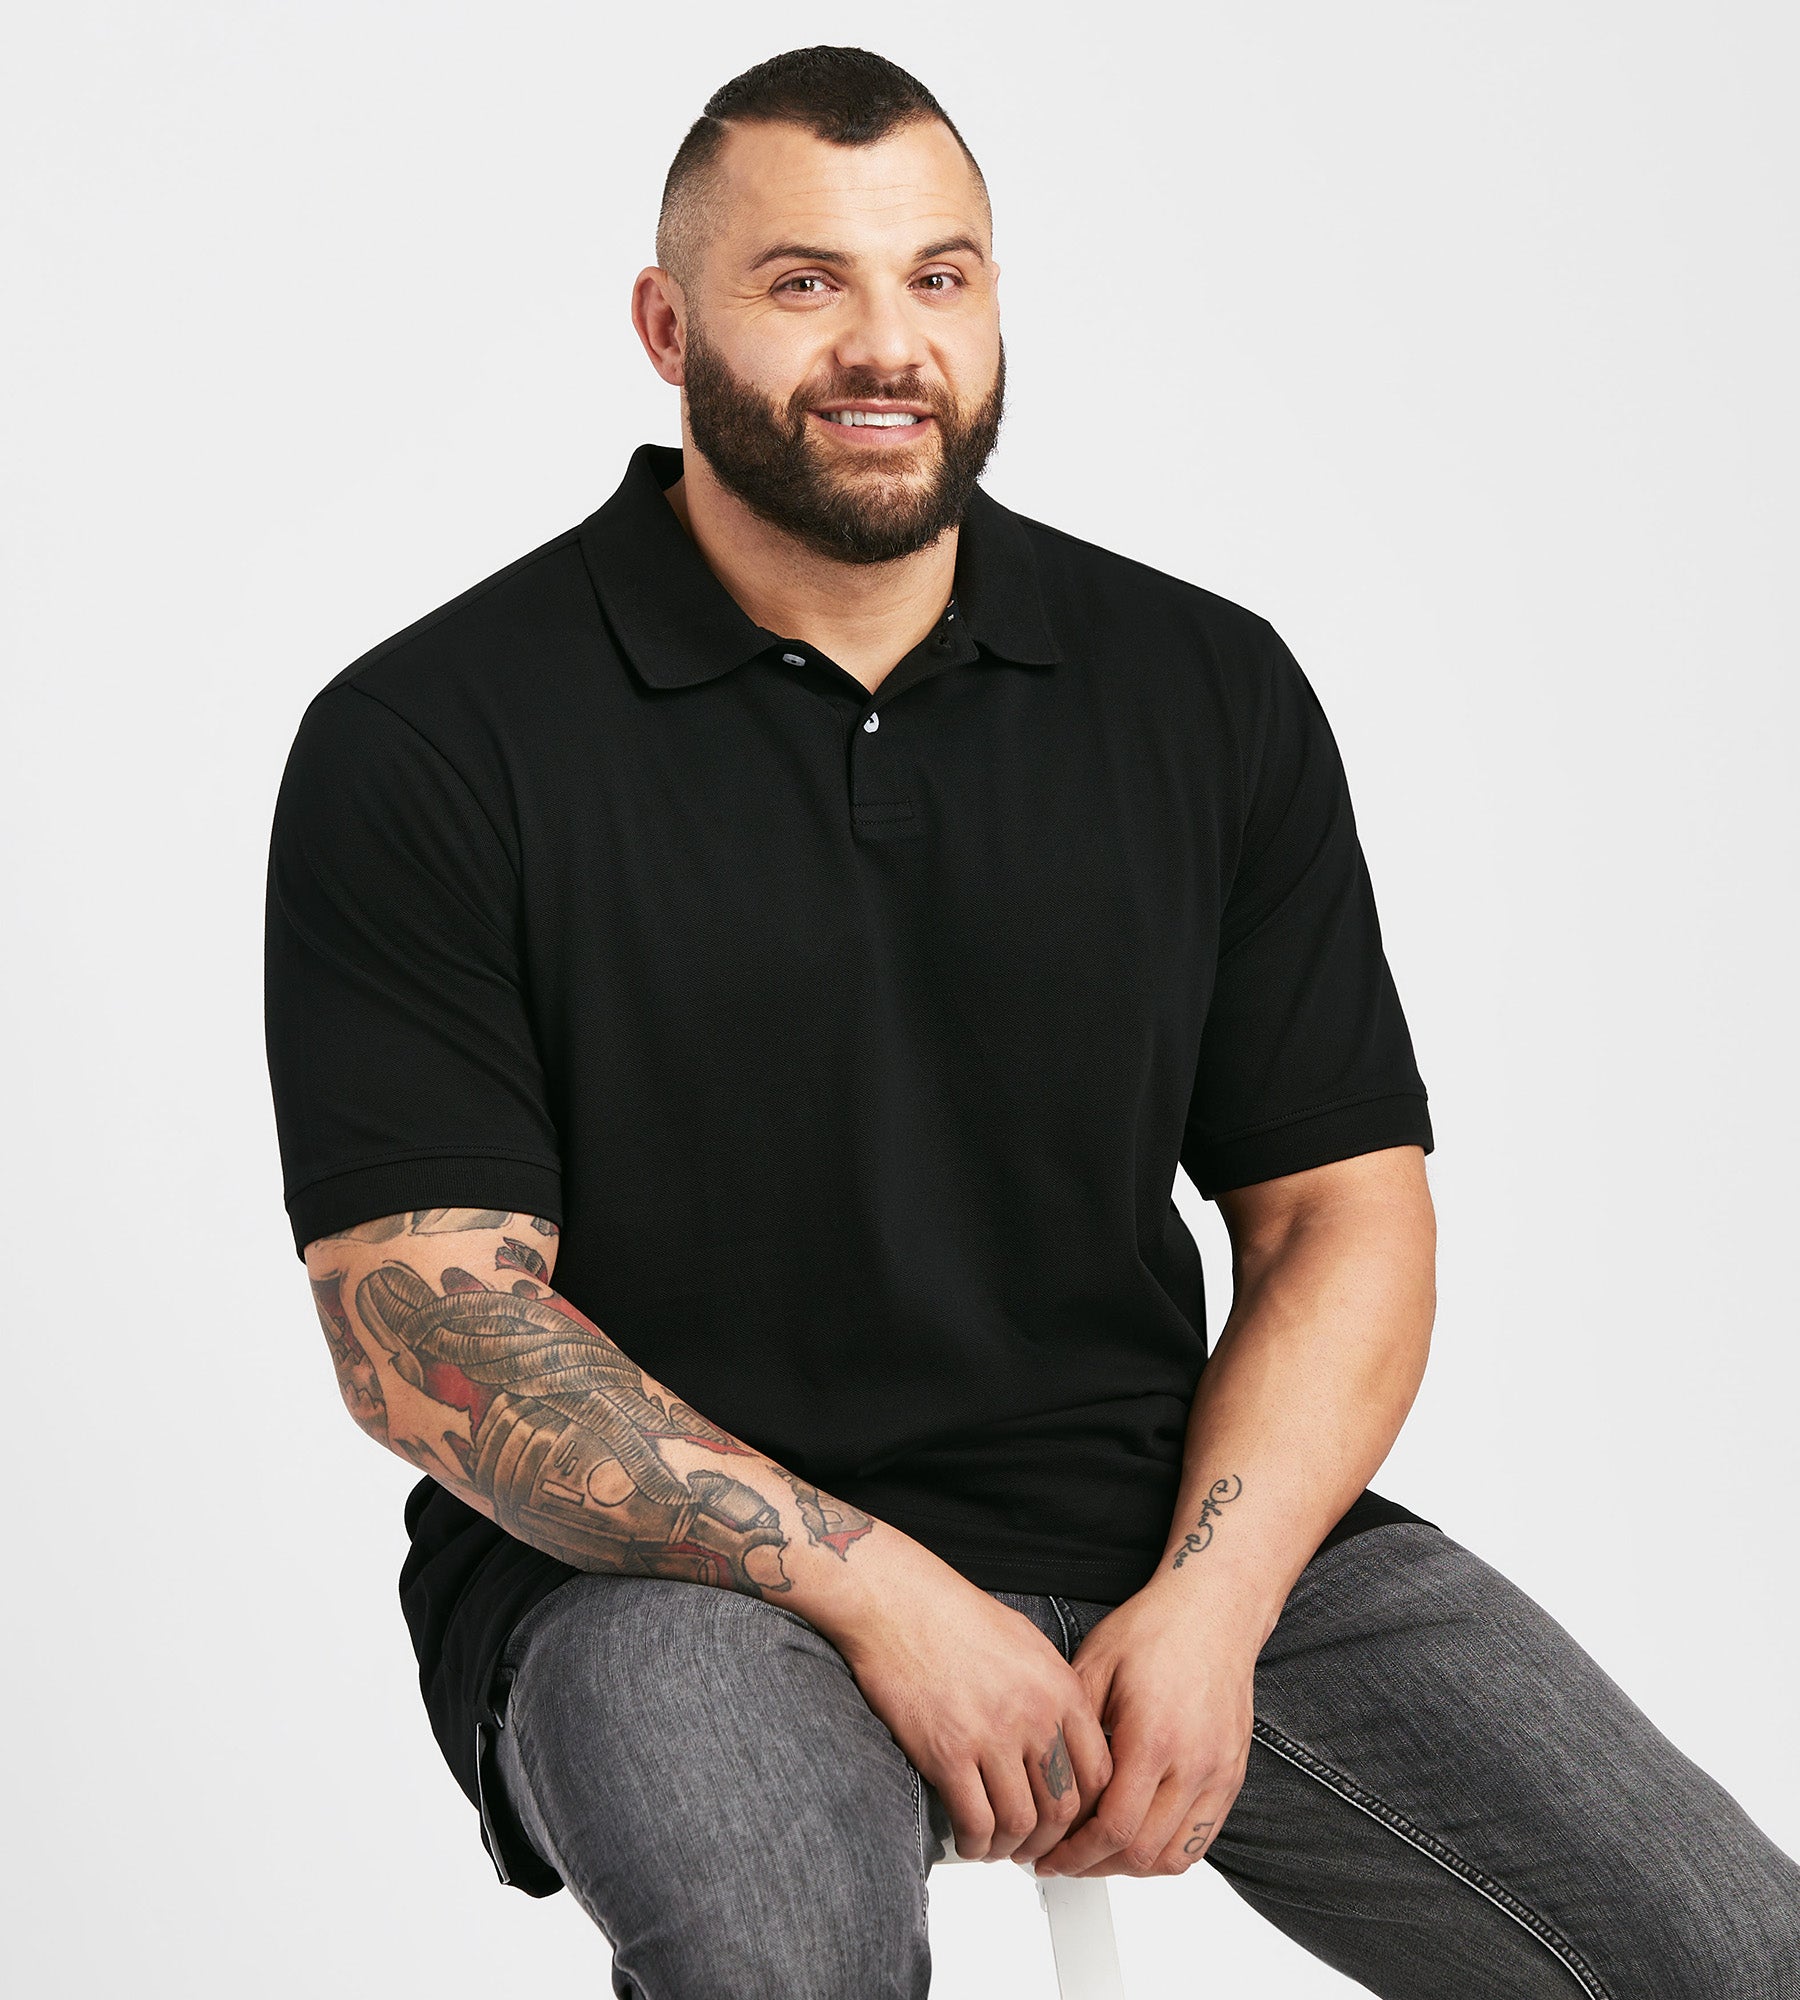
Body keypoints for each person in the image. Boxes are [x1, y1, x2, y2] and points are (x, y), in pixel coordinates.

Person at [263, 44, 1800, 2000]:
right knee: (779, 1965)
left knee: (1736, 1953)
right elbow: (429, 1330)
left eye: (941, 275)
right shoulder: (433, 735)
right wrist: (879, 1588)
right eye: (803, 281)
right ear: (668, 326)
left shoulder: (1201, 687)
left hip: (1162, 1525)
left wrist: (1217, 1600)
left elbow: (1339, 1217)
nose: (886, 343)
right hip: (667, 1574)